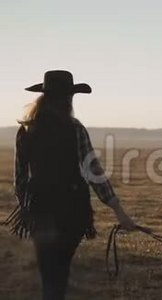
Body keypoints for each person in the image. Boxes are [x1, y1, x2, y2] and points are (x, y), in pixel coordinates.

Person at [6, 70, 137, 300]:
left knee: (50, 274)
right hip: (72, 211)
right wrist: (119, 212)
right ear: (67, 98)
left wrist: (27, 207)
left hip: (41, 211)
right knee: (59, 272)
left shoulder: (26, 130)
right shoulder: (75, 129)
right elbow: (94, 172)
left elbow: (20, 179)